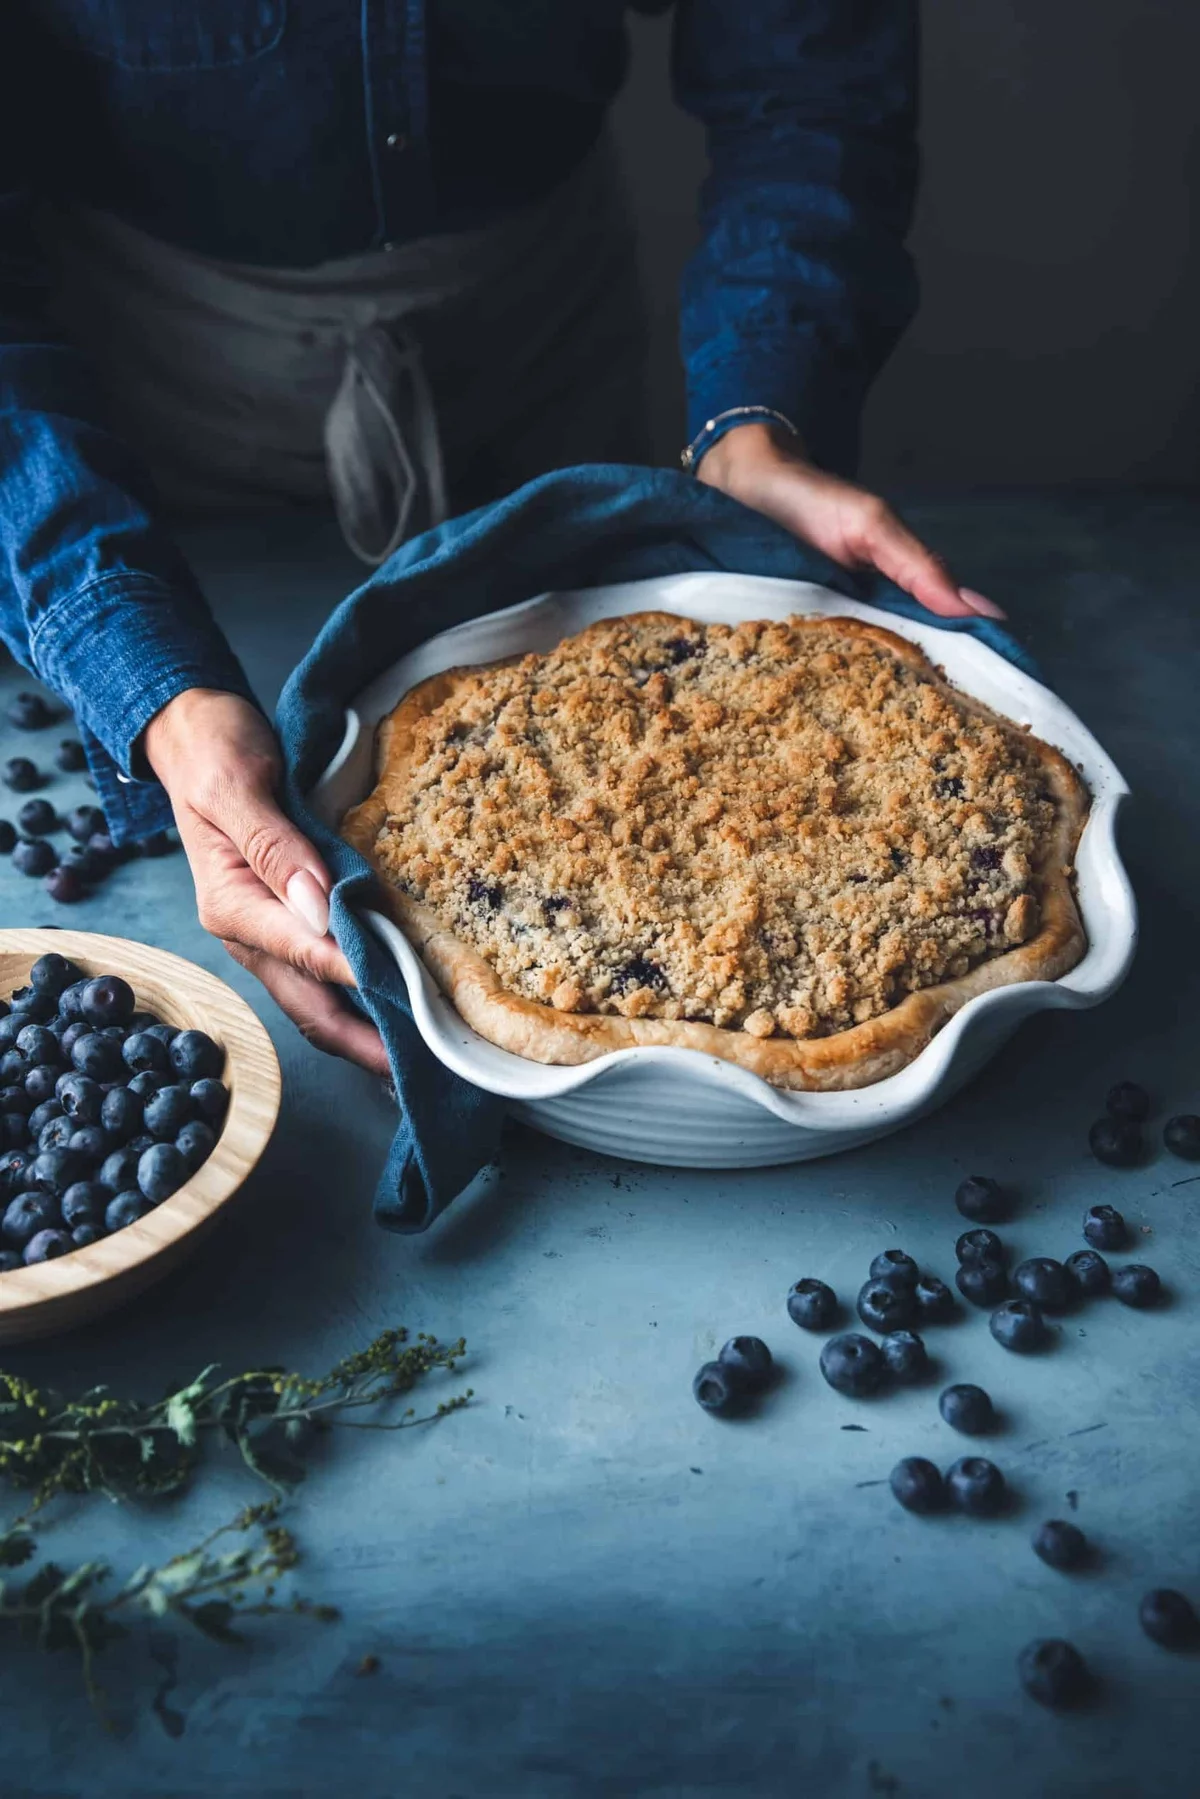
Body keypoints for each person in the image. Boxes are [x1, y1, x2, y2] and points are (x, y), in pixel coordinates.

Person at [0, 1, 1003, 1073]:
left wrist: (755, 419)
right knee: (260, 769)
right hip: (147, 394)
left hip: (545, 333)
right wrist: (157, 694)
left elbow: (806, 74)